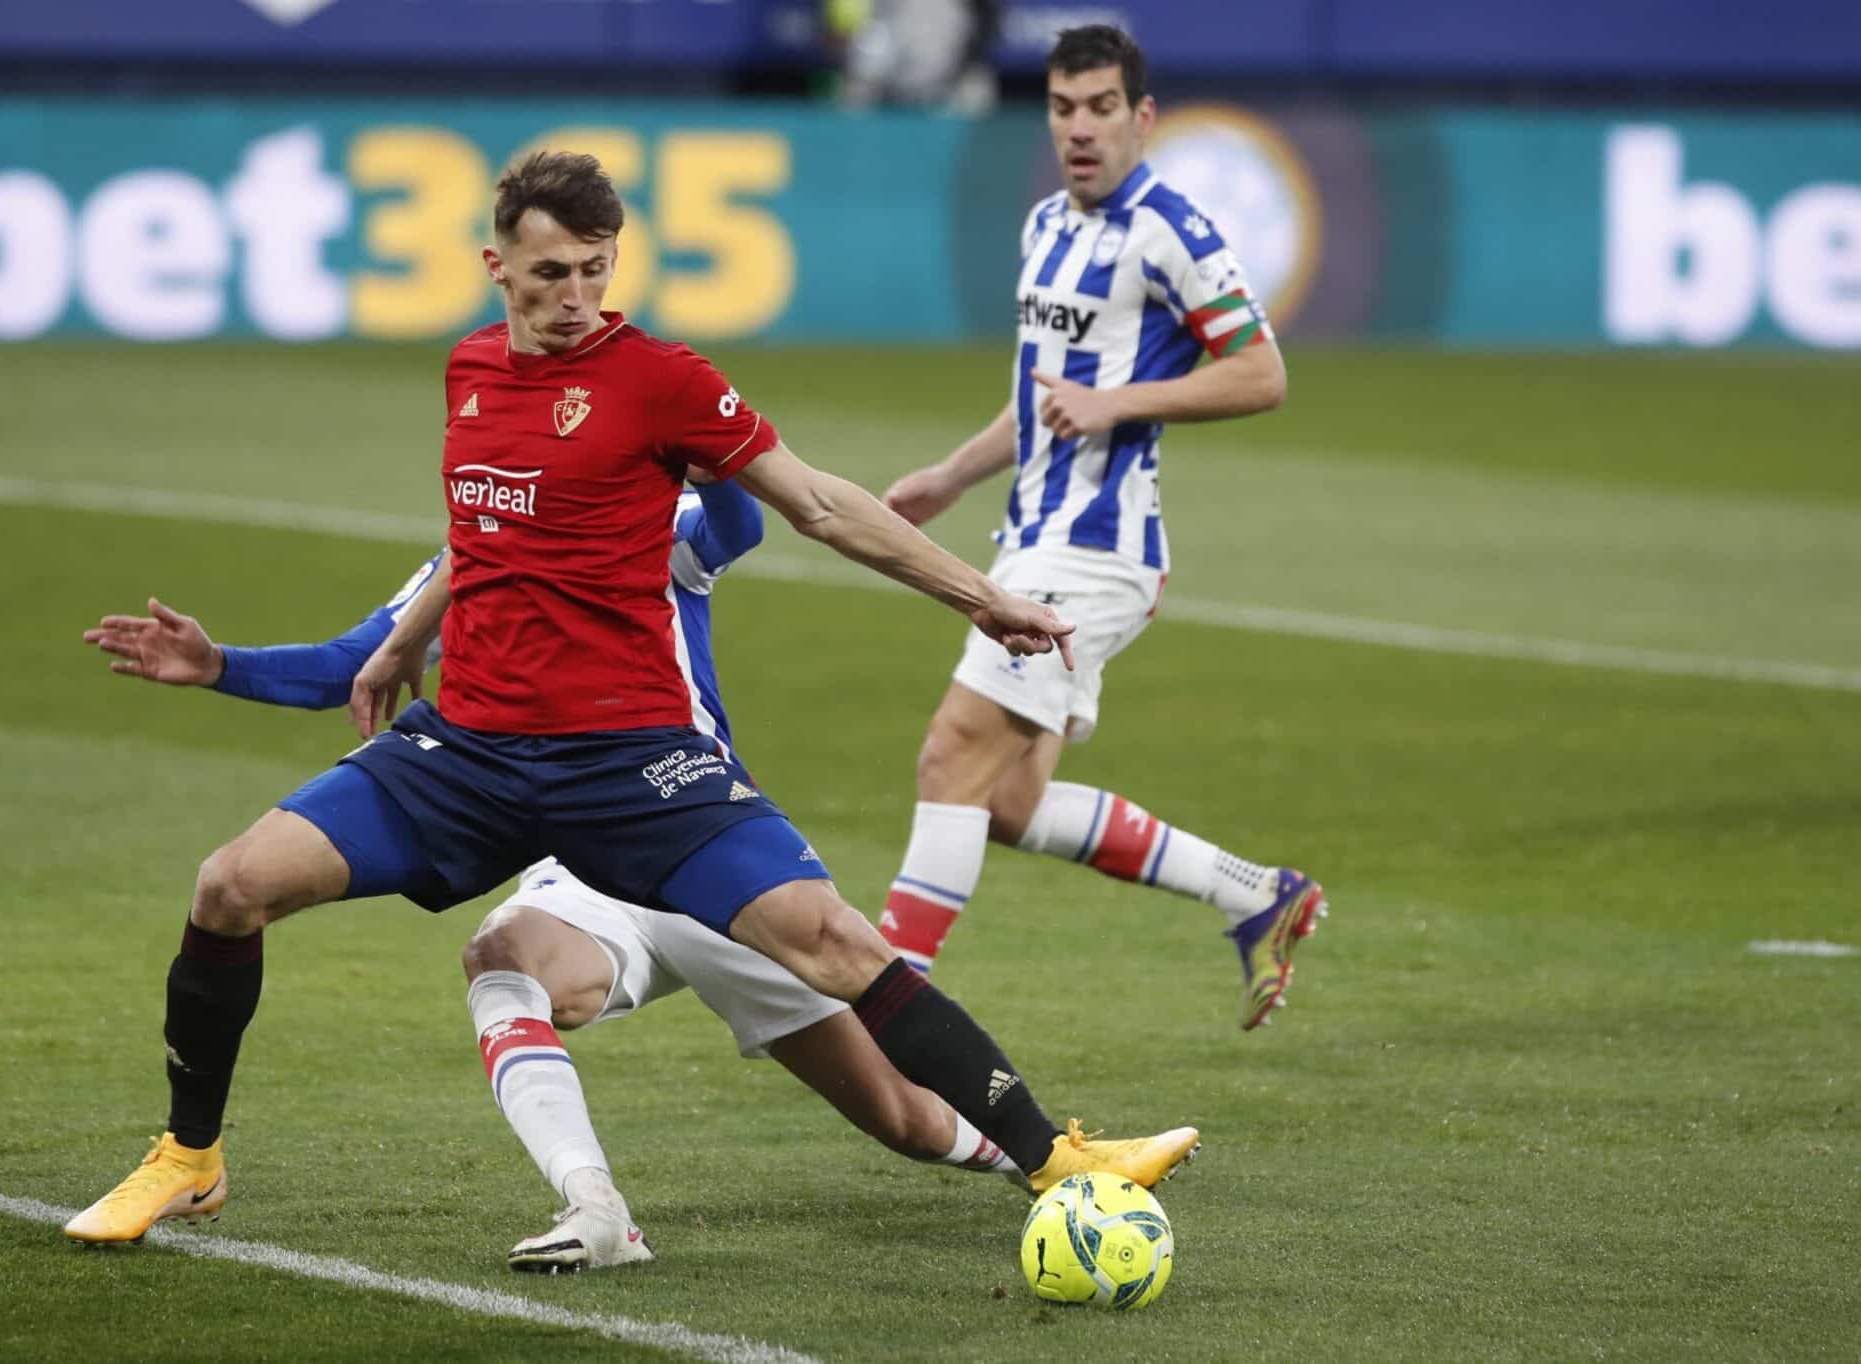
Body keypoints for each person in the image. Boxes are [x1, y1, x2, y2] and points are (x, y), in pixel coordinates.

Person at [64, 149, 1197, 1257]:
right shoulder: (468, 373)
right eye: (550, 272)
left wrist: (981, 595)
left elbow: (813, 502)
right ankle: (190, 1156)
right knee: (229, 885)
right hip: (467, 754)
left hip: (633, 760)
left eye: (595, 269)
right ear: (494, 265)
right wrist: (400, 644)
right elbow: (478, 527)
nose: (575, 297)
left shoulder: (658, 376)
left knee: (832, 938)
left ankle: (1056, 1157)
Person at [81, 486, 1026, 1274]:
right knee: (502, 962)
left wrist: (712, 453)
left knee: (901, 1116)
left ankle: (1046, 1158)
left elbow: (738, 526)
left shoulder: (664, 514)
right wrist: (219, 667)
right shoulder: (475, 545)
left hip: (696, 842)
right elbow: (355, 665)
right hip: (576, 866)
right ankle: (596, 1206)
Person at [875, 24, 1326, 1029]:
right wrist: (951, 473)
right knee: (1004, 802)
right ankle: (1255, 891)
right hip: (1030, 535)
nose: (1080, 128)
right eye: (1063, 108)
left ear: (1141, 117)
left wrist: (1121, 401)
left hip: (1097, 551)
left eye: (1101, 108)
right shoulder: (1044, 225)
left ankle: (884, 1001)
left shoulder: (1172, 229)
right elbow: (1042, 398)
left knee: (950, 752)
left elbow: (1263, 374)